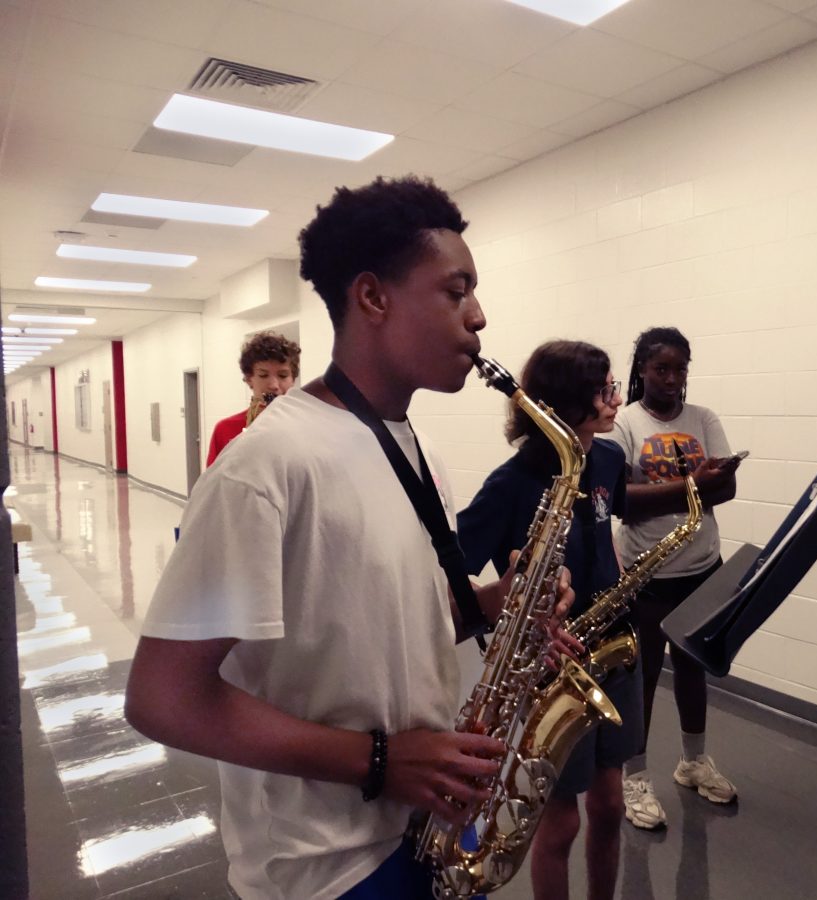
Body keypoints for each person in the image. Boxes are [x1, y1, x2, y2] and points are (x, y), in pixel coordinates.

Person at [124, 176, 550, 899]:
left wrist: (496, 603)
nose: (479, 316)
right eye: (456, 291)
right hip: (326, 868)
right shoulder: (266, 465)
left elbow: (387, 627)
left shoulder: (416, 448)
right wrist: (380, 761)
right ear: (373, 297)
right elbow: (163, 698)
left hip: (427, 827)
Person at [457, 340, 638, 900]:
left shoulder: (606, 457)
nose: (617, 399)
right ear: (567, 401)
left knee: (610, 805)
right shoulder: (509, 483)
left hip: (609, 645)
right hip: (551, 666)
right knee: (560, 824)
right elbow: (450, 573)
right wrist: (513, 617)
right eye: (605, 389)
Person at [611, 326, 742, 830]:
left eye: (680, 369)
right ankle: (635, 777)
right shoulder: (624, 423)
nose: (671, 378)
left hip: (701, 566)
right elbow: (620, 498)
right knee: (640, 676)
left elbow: (726, 490)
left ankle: (692, 762)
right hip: (647, 570)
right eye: (661, 368)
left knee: (692, 668)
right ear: (642, 369)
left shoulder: (703, 418)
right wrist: (694, 485)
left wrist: (695, 487)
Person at [206, 330, 301, 466]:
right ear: (249, 379)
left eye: (283, 375)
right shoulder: (225, 429)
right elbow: (214, 485)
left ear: (293, 379)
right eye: (263, 375)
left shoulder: (306, 428)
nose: (274, 385)